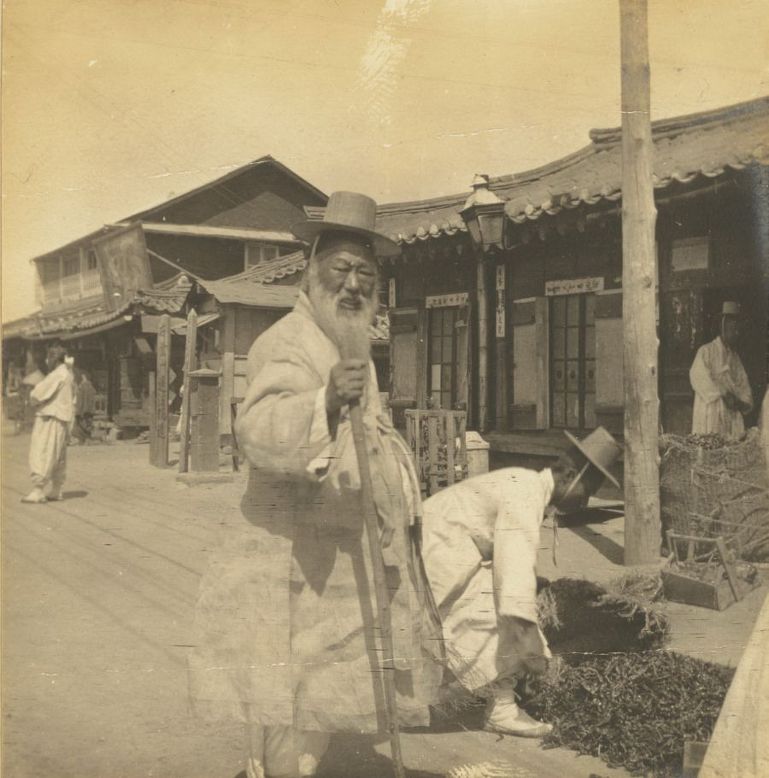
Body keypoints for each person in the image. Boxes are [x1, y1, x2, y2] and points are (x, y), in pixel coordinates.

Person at [188, 192, 443, 778]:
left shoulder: (350, 342)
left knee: (316, 700)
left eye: (365, 274)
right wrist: (324, 400)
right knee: (289, 700)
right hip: (290, 555)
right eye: (341, 269)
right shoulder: (288, 342)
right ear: (312, 271)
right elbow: (259, 430)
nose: (353, 285)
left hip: (340, 551)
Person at [421, 427, 622, 738]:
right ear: (569, 476)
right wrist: (527, 639)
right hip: (440, 548)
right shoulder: (526, 493)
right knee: (492, 618)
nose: (585, 502)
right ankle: (500, 708)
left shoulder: (528, 486)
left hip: (452, 548)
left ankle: (496, 699)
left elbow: (509, 555)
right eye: (586, 491)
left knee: (483, 616)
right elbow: (513, 569)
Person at [689, 301, 753, 440]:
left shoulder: (734, 358)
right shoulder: (706, 351)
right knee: (710, 443)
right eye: (733, 328)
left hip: (730, 413)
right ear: (723, 327)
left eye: (738, 329)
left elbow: (743, 384)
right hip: (710, 410)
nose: (736, 333)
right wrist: (722, 393)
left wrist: (740, 401)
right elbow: (697, 377)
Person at [21, 345, 76, 504]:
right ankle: (56, 488)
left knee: (43, 451)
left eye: (48, 358)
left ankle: (38, 489)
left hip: (50, 416)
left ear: (53, 359)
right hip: (62, 418)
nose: (46, 361)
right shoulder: (69, 374)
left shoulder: (57, 374)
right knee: (58, 454)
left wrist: (32, 394)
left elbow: (38, 394)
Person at [73, 370, 97, 444]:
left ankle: (82, 439)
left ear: (84, 377)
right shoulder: (90, 387)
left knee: (82, 423)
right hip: (88, 409)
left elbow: (81, 399)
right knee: (87, 423)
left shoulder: (83, 386)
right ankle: (86, 438)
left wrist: (78, 409)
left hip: (83, 409)